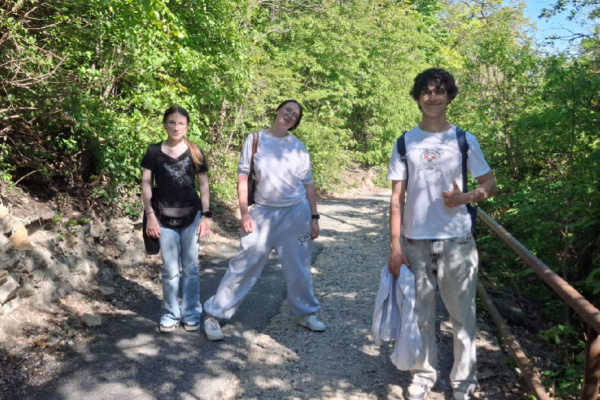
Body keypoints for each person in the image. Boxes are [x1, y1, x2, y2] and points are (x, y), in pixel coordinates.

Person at [386, 69, 497, 400]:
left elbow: (489, 184)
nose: (432, 97)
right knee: (419, 316)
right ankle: (423, 375)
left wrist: (465, 198)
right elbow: (396, 198)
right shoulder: (405, 142)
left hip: (456, 240)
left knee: (462, 318)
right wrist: (394, 245)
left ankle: (464, 382)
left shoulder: (464, 140)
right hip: (414, 241)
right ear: (418, 97)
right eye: (426, 91)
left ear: (449, 97)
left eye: (439, 91)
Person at [203, 99, 324, 341]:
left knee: (299, 268)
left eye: (295, 115)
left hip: (296, 215)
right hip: (262, 214)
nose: (290, 115)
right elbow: (242, 178)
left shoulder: (298, 147)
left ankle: (305, 313)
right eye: (287, 110)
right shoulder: (255, 139)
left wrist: (314, 218)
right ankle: (214, 315)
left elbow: (308, 185)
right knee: (243, 265)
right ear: (278, 110)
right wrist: (244, 213)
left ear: (296, 123)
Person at [141, 105, 212, 333]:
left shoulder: (195, 152)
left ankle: (191, 313)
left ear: (187, 126)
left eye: (181, 123)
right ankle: (170, 314)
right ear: (164, 124)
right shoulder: (153, 152)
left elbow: (204, 185)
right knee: (170, 270)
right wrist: (150, 215)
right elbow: (146, 184)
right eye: (172, 122)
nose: (176, 127)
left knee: (191, 268)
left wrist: (206, 216)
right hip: (163, 217)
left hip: (192, 216)